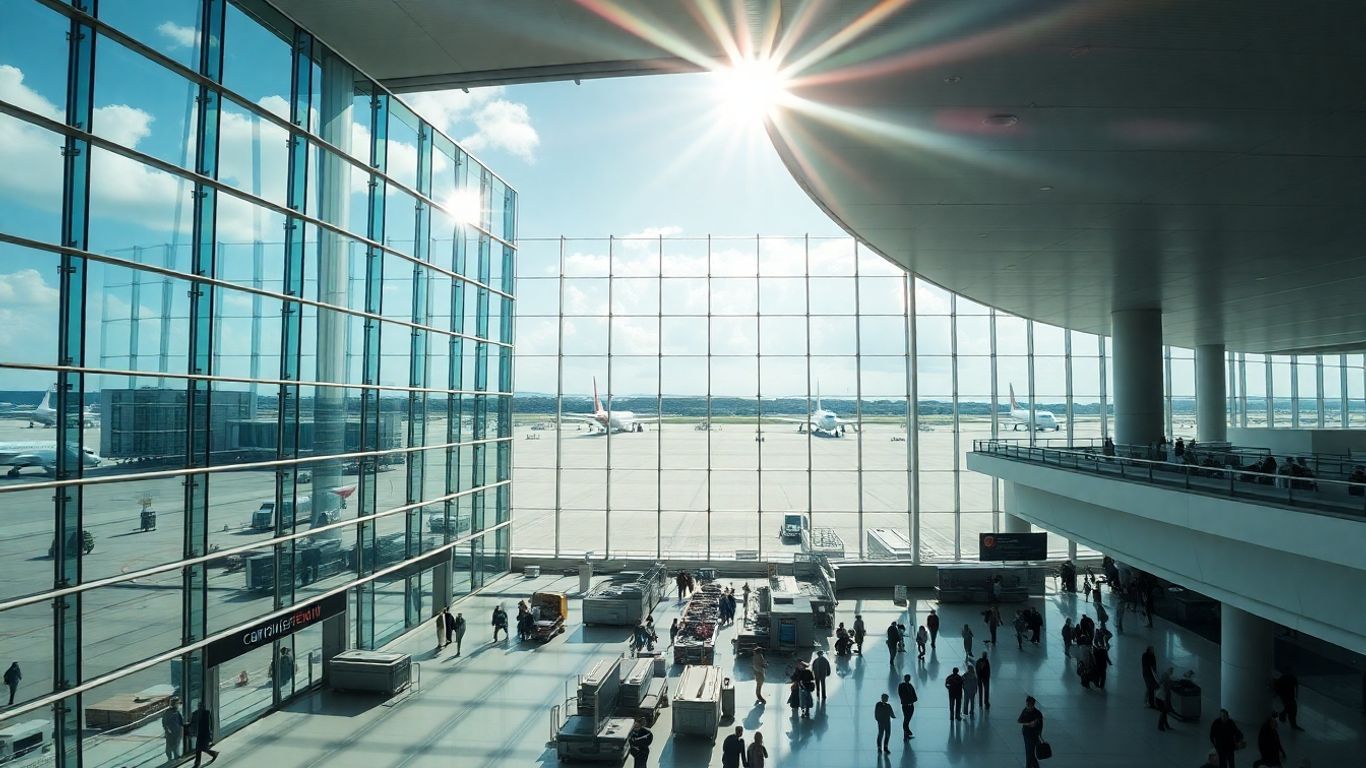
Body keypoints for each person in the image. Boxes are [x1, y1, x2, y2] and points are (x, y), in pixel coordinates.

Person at [190, 700, 219, 767]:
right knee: (199, 748)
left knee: (203, 748)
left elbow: (209, 725)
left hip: (205, 734)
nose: (200, 707)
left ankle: (214, 753)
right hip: (199, 733)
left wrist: (210, 734)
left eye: (201, 706)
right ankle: (197, 763)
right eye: (199, 706)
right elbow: (193, 723)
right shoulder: (196, 713)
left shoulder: (207, 713)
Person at [1018, 696, 1044, 768]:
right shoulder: (1025, 711)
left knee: (1030, 752)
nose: (1028, 707)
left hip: (1034, 735)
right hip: (1027, 734)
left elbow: (1040, 725)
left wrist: (1039, 733)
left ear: (1032, 704)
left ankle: (1030, 766)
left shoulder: (1037, 713)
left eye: (1029, 705)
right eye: (1027, 705)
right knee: (1029, 752)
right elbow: (1020, 721)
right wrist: (1029, 724)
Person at [161, 697, 184, 761]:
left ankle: (175, 756)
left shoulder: (176, 712)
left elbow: (181, 722)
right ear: (174, 704)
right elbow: (164, 722)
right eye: (178, 703)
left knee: (175, 744)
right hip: (171, 732)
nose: (179, 705)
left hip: (176, 731)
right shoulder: (169, 712)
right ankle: (171, 757)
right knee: (170, 744)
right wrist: (167, 729)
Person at [897, 674, 917, 740]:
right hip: (905, 706)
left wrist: (912, 700)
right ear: (904, 678)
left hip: (911, 706)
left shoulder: (910, 686)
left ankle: (907, 733)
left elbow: (914, 695)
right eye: (906, 678)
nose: (907, 679)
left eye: (908, 678)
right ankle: (907, 733)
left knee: (907, 720)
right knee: (906, 720)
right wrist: (906, 700)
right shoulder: (901, 686)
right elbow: (901, 695)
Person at [1158, 667, 1175, 731]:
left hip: (1160, 697)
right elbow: (1166, 690)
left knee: (1164, 712)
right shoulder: (1166, 679)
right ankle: (1161, 726)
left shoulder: (1165, 676)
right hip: (1162, 698)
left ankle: (1165, 725)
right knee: (1164, 712)